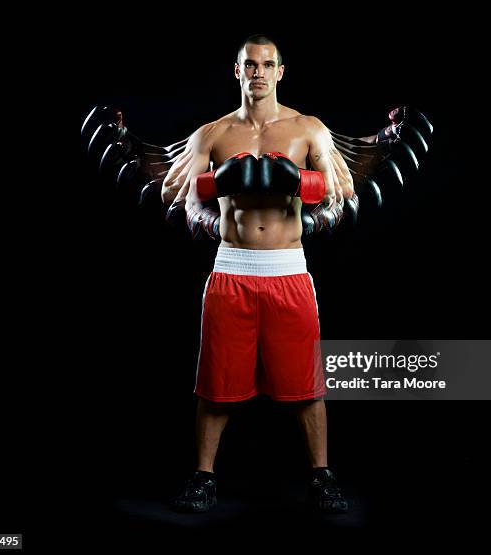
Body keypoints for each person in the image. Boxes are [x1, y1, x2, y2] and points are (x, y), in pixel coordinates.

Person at [162, 34, 356, 514]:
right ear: (237, 71)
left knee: (306, 385)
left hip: (289, 270)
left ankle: (321, 476)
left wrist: (301, 181)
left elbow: (343, 191)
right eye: (250, 65)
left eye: (267, 65)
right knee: (216, 384)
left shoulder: (308, 128)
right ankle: (203, 477)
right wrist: (216, 183)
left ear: (280, 72)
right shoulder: (211, 134)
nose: (259, 73)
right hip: (231, 269)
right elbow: (176, 195)